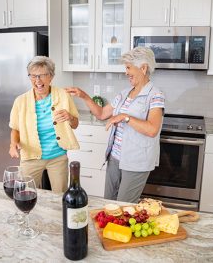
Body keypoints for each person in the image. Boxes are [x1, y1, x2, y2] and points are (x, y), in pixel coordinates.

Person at [66, 47, 164, 203]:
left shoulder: (155, 96)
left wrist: (125, 117)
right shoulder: (125, 93)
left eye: (128, 68)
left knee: (124, 207)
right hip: (115, 158)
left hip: (136, 161)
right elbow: (102, 114)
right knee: (109, 204)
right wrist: (83, 96)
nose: (126, 72)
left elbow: (152, 129)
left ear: (143, 68)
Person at [9, 56, 80, 193]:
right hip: (30, 156)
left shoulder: (63, 95)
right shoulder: (20, 101)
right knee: (27, 194)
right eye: (34, 76)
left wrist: (70, 117)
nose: (38, 80)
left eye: (42, 75)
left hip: (57, 157)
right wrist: (13, 145)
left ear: (51, 77)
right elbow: (15, 129)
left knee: (60, 196)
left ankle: (58, 215)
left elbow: (75, 124)